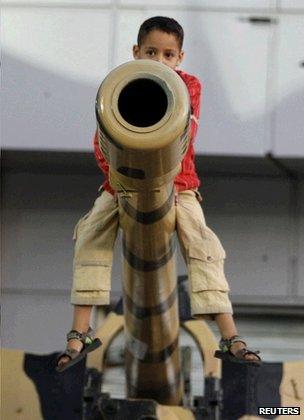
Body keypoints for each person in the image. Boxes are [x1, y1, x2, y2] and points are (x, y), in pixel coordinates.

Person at [57, 16, 261, 372]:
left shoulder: (188, 86)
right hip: (120, 186)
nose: (160, 61)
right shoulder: (119, 86)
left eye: (168, 55)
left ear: (180, 57)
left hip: (178, 186)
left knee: (204, 246)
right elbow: (102, 142)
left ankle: (229, 335)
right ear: (136, 52)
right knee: (89, 237)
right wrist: (122, 180)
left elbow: (184, 134)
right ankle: (80, 330)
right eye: (151, 52)